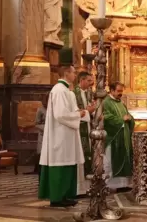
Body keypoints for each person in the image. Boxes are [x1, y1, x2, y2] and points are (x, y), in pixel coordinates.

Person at [39, 66, 95, 207]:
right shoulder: (59, 90)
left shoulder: (66, 90)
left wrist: (84, 112)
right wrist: (78, 114)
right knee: (61, 163)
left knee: (68, 163)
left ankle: (64, 195)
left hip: (67, 134)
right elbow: (60, 114)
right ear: (66, 73)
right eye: (73, 72)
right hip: (60, 135)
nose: (75, 74)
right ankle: (57, 198)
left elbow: (70, 111)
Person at [103, 82, 134, 190]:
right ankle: (112, 185)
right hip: (114, 137)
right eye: (118, 91)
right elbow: (106, 117)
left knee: (125, 159)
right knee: (112, 161)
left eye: (122, 91)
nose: (121, 93)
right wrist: (121, 120)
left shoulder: (120, 103)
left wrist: (130, 118)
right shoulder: (106, 102)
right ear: (111, 91)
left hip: (124, 136)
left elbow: (127, 115)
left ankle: (124, 184)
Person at [73, 72, 95, 195]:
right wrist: (88, 111)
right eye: (88, 80)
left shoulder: (88, 93)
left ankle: (86, 188)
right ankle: (78, 189)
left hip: (87, 127)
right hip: (78, 128)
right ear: (81, 80)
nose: (91, 83)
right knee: (80, 156)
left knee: (88, 156)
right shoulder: (73, 94)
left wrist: (92, 109)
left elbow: (89, 109)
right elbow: (74, 112)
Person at [31, 94, 48, 177]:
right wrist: (45, 128)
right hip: (43, 134)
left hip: (52, 135)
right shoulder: (40, 110)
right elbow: (36, 123)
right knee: (41, 153)